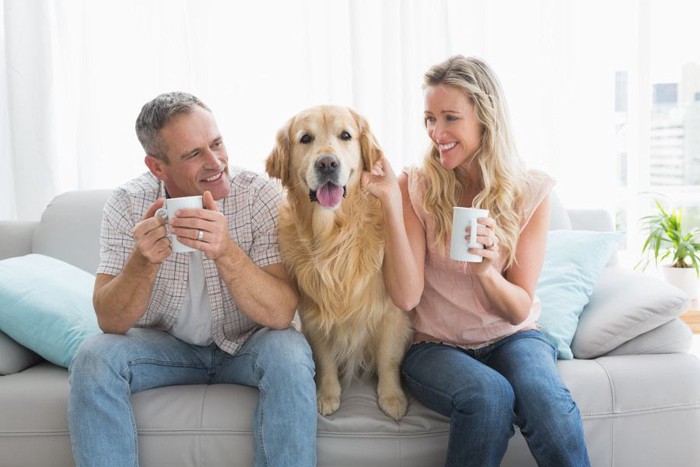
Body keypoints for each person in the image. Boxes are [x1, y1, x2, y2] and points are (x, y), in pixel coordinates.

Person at [362, 56, 590, 466]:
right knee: (489, 396)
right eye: (429, 119)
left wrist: (486, 271)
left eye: (451, 118)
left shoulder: (529, 192)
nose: (437, 133)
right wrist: (392, 205)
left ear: (485, 118)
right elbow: (406, 295)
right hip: (434, 345)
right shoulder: (415, 185)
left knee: (547, 403)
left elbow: (519, 306)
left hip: (513, 336)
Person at [67, 92, 317, 467]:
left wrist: (226, 252)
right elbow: (110, 320)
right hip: (166, 348)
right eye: (194, 154)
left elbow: (282, 313)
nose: (216, 162)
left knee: (289, 351)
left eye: (216, 144)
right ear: (157, 167)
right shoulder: (126, 204)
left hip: (246, 344)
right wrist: (143, 262)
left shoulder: (258, 195)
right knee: (93, 357)